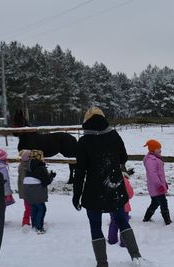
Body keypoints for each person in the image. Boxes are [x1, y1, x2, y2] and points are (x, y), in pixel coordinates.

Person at [72, 106, 142, 266]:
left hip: (93, 190)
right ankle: (136, 256)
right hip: (114, 186)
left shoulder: (83, 141)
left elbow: (80, 172)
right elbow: (123, 157)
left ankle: (102, 263)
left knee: (95, 225)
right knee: (122, 220)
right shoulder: (113, 135)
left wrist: (77, 194)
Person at [23, 149, 56, 234]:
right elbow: (46, 182)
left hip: (27, 190)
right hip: (36, 190)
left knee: (34, 207)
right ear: (39, 157)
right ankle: (39, 228)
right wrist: (51, 176)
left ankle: (34, 225)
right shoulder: (41, 167)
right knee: (42, 208)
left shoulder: (28, 165)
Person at [142, 139, 172, 225]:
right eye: (158, 148)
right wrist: (159, 185)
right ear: (152, 149)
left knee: (155, 203)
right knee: (163, 202)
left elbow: (160, 174)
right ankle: (167, 221)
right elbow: (153, 174)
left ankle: (146, 218)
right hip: (156, 187)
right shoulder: (151, 160)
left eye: (160, 148)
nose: (160, 150)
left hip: (157, 186)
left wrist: (164, 183)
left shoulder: (155, 158)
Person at [107, 171, 134, 247]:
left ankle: (112, 240)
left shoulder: (109, 180)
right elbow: (130, 193)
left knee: (113, 222)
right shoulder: (125, 181)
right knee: (124, 223)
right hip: (124, 206)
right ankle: (124, 241)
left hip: (112, 206)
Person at [18, 149, 32, 231]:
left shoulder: (23, 165)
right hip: (26, 191)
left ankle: (32, 220)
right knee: (28, 208)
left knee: (30, 207)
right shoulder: (25, 167)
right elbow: (24, 181)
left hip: (27, 190)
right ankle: (25, 222)